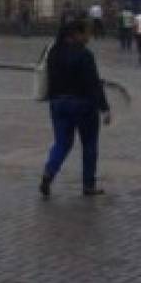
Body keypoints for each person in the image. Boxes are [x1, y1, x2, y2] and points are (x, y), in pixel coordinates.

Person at [39, 17, 112, 198]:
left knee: (62, 143)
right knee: (89, 144)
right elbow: (93, 83)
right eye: (87, 32)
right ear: (77, 34)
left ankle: (49, 171)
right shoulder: (84, 54)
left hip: (58, 103)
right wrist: (104, 108)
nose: (89, 36)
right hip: (83, 105)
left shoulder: (53, 52)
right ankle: (88, 184)